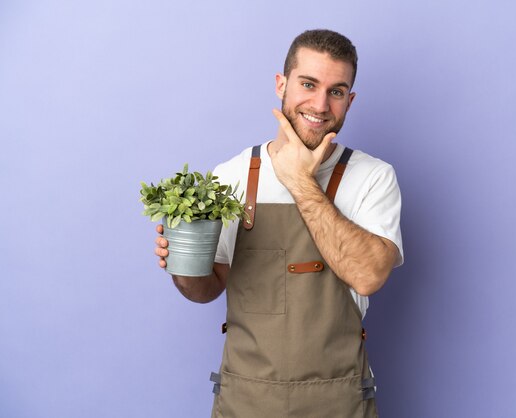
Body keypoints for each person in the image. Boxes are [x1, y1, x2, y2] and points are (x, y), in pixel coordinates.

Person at [154, 29, 403, 417]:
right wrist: (182, 265)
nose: (320, 104)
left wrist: (300, 181)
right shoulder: (233, 175)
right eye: (308, 84)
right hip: (245, 401)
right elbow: (206, 289)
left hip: (339, 403)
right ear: (281, 84)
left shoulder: (373, 177)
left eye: (336, 91)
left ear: (349, 101)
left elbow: (368, 276)